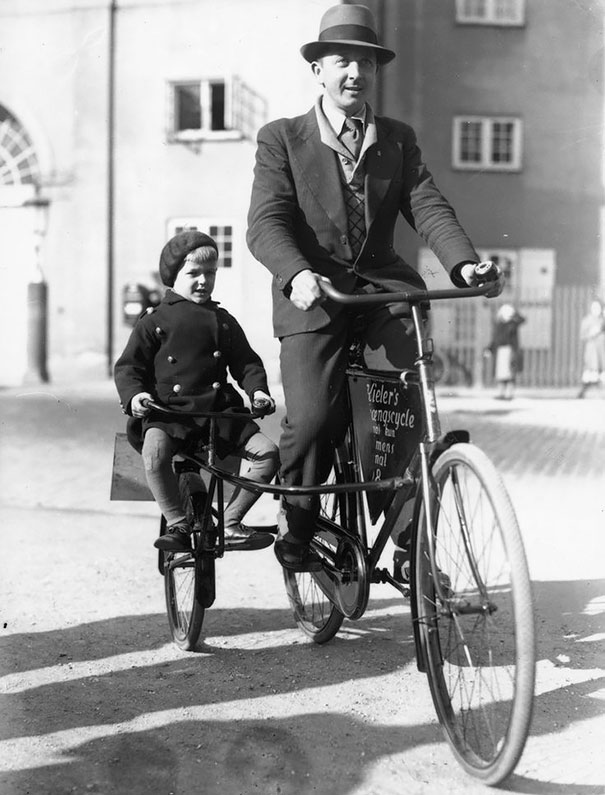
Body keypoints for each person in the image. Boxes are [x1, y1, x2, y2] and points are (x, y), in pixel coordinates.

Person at [246, 3, 498, 572]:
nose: (355, 73)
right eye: (342, 61)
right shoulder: (282, 139)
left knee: (403, 410)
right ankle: (301, 521)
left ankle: (412, 545)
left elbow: (427, 206)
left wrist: (464, 266)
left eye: (366, 62)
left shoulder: (396, 140)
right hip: (316, 297)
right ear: (318, 70)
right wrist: (296, 273)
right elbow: (266, 222)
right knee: (312, 419)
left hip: (384, 294)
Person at [114, 230, 279, 552]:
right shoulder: (153, 321)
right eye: (193, 274)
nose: (203, 281)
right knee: (155, 454)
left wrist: (258, 391)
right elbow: (129, 367)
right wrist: (135, 396)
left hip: (219, 411)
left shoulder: (224, 321)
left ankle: (231, 523)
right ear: (173, 277)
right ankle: (177, 522)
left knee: (268, 455)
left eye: (211, 273)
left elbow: (246, 363)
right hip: (169, 412)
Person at [485, 304, 526, 400]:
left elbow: (522, 320)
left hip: (510, 350)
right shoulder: (499, 325)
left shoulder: (513, 324)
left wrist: (515, 314)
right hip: (501, 351)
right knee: (501, 374)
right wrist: (490, 349)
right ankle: (501, 393)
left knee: (510, 373)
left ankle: (509, 394)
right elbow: (495, 339)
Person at [577, 298, 605, 398]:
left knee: (602, 373)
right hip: (592, 352)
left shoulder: (603, 320)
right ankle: (582, 393)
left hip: (602, 352)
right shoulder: (587, 321)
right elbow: (582, 336)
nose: (596, 310)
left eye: (598, 307)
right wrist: (592, 333)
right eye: (594, 308)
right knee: (590, 375)